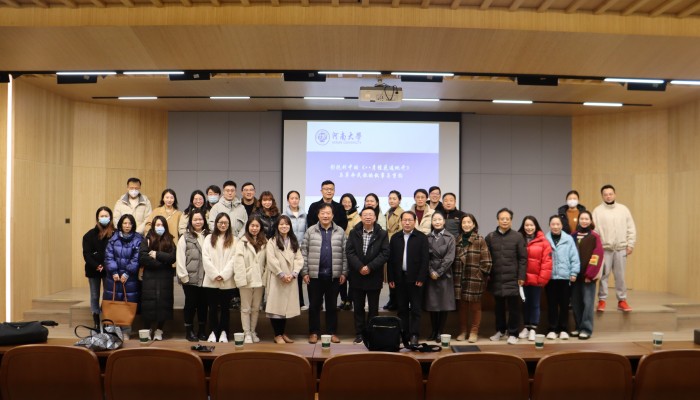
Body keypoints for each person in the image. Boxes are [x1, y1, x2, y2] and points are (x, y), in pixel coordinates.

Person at [301, 203, 348, 344]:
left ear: (333, 215)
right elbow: (304, 252)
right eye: (323, 213)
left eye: (328, 213)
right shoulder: (310, 231)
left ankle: (331, 332)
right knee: (314, 306)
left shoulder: (340, 231)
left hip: (334, 276)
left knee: (332, 306)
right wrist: (305, 272)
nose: (325, 216)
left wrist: (344, 272)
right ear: (318, 215)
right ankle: (314, 332)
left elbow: (345, 254)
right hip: (315, 276)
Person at [345, 206, 390, 344]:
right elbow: (349, 252)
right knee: (358, 308)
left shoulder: (382, 233)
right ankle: (359, 333)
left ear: (375, 217)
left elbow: (385, 253)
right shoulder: (354, 232)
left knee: (373, 308)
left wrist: (370, 267)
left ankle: (372, 334)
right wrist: (360, 267)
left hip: (374, 276)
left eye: (371, 214)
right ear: (361, 217)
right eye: (365, 215)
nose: (368, 217)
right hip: (357, 275)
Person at [387, 211, 429, 346]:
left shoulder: (421, 237)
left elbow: (425, 260)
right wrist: (391, 278)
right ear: (401, 222)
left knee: (416, 309)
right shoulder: (395, 238)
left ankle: (414, 335)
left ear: (414, 222)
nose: (407, 222)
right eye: (404, 220)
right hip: (399, 278)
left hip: (416, 279)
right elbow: (390, 260)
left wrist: (421, 277)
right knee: (402, 309)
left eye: (410, 220)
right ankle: (403, 334)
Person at [486, 208, 527, 345]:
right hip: (496, 278)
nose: (504, 221)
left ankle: (513, 333)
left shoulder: (518, 236)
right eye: (502, 218)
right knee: (498, 308)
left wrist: (521, 276)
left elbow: (523, 258)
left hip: (513, 278)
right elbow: (486, 258)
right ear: (498, 220)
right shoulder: (490, 237)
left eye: (507, 219)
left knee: (514, 308)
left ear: (511, 220)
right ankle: (500, 330)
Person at [592, 184, 637, 312]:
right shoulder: (597, 211)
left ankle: (622, 300)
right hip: (604, 249)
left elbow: (631, 228)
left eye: (610, 194)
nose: (608, 196)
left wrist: (630, 244)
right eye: (605, 194)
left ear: (615, 194)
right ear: (602, 196)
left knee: (620, 276)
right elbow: (594, 231)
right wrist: (597, 248)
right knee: (603, 276)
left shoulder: (623, 209)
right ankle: (602, 300)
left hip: (621, 248)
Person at [453, 214, 492, 343]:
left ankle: (474, 332)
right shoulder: (457, 239)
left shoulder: (479, 239)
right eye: (464, 222)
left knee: (475, 307)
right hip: (459, 278)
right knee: (462, 307)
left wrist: (478, 275)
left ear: (474, 224)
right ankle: (463, 331)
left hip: (474, 278)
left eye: (469, 222)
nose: (466, 225)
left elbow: (487, 262)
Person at [265, 215, 304, 344]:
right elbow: (271, 259)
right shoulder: (272, 241)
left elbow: (299, 259)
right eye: (281, 224)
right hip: (277, 278)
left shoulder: (293, 240)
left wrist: (294, 273)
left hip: (290, 278)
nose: (284, 226)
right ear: (277, 226)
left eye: (286, 224)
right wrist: (281, 274)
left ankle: (282, 333)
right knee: (276, 308)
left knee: (285, 308)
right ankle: (277, 334)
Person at [104, 214, 143, 337]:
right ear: (120, 224)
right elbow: (108, 256)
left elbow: (137, 258)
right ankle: (112, 332)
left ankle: (126, 331)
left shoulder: (138, 239)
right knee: (113, 302)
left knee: (127, 303)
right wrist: (114, 271)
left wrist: (127, 272)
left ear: (133, 225)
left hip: (129, 279)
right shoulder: (113, 238)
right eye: (125, 223)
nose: (127, 226)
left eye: (130, 223)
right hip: (113, 278)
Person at [138, 216, 176, 341]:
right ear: (153, 226)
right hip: (150, 276)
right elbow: (143, 258)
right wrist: (162, 262)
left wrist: (156, 254)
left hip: (165, 277)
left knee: (163, 303)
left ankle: (159, 330)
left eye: (162, 225)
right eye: (157, 225)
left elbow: (172, 257)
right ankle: (147, 329)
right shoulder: (147, 240)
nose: (160, 227)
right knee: (148, 303)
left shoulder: (170, 240)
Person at [176, 209, 210, 341]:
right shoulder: (185, 237)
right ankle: (189, 330)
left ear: (204, 221)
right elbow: (180, 257)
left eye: (200, 219)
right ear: (191, 221)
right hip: (190, 278)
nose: (198, 222)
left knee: (203, 305)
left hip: (206, 278)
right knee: (190, 305)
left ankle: (202, 330)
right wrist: (183, 276)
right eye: (195, 220)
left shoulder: (209, 236)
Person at [202, 213, 236, 343]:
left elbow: (234, 259)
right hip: (211, 280)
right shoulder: (208, 238)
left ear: (229, 225)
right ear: (216, 224)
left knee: (225, 309)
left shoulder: (234, 239)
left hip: (227, 281)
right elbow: (205, 258)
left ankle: (224, 332)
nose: (223, 225)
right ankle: (213, 331)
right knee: (212, 308)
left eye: (225, 223)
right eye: (220, 222)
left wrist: (224, 274)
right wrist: (215, 274)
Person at [545, 215, 580, 340]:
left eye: (558, 224)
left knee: (564, 304)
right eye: (553, 224)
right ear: (549, 225)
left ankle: (564, 329)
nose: (555, 226)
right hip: (550, 278)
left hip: (565, 278)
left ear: (561, 225)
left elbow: (574, 257)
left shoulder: (568, 239)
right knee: (552, 305)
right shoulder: (545, 239)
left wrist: (574, 273)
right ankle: (552, 329)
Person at [517, 216, 552, 342]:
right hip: (523, 279)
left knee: (535, 304)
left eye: (531, 225)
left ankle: (533, 328)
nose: (529, 228)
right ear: (523, 226)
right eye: (526, 225)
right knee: (525, 304)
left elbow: (547, 262)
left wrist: (542, 279)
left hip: (536, 279)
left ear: (536, 226)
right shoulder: (519, 239)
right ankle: (526, 327)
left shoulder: (543, 241)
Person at [234, 216, 268, 343]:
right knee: (245, 308)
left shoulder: (265, 242)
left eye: (257, 226)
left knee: (256, 308)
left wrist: (265, 277)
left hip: (259, 279)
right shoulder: (242, 242)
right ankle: (246, 333)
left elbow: (267, 262)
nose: (254, 228)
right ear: (248, 227)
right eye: (252, 226)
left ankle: (253, 331)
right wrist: (241, 279)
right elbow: (238, 263)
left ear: (260, 227)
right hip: (246, 279)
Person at [571, 211, 604, 340]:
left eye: (586, 219)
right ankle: (578, 327)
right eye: (582, 219)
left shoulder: (595, 237)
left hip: (587, 277)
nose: (584, 221)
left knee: (588, 303)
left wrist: (590, 274)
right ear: (578, 220)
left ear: (590, 221)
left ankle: (586, 329)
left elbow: (597, 256)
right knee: (576, 303)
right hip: (574, 276)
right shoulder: (572, 236)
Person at [424, 212, 456, 343]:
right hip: (430, 274)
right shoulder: (427, 237)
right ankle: (433, 330)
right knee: (432, 304)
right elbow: (424, 257)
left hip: (444, 274)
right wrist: (431, 271)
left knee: (443, 304)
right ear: (432, 222)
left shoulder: (450, 237)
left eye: (439, 219)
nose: (437, 222)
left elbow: (450, 257)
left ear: (444, 222)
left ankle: (440, 331)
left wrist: (439, 272)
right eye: (435, 220)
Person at [82, 206, 114, 329]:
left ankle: (106, 319)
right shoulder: (89, 235)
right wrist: (97, 265)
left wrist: (105, 266)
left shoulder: (115, 234)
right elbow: (87, 254)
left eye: (106, 216)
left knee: (107, 295)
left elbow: (115, 253)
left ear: (110, 218)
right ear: (97, 218)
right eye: (102, 216)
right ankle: (96, 321)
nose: (104, 218)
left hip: (108, 270)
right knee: (95, 295)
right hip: (93, 269)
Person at [284, 190, 308, 311]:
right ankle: (288, 302)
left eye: (296, 198)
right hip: (289, 248)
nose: (294, 200)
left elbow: (307, 232)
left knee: (299, 275)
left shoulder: (305, 215)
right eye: (292, 198)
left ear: (299, 199)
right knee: (289, 274)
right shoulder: (284, 215)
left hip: (302, 249)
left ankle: (300, 302)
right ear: (288, 200)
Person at [337, 193, 360, 310]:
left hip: (352, 251)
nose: (346, 204)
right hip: (339, 249)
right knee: (341, 275)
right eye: (344, 201)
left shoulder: (357, 218)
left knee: (351, 276)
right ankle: (343, 299)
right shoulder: (337, 215)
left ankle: (350, 300)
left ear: (353, 203)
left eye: (349, 202)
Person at [383, 190, 404, 311]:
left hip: (396, 244)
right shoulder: (388, 212)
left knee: (396, 274)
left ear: (399, 200)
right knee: (390, 274)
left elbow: (401, 231)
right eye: (390, 198)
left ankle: (396, 301)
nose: (391, 201)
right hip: (387, 244)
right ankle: (392, 299)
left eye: (394, 198)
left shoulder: (402, 213)